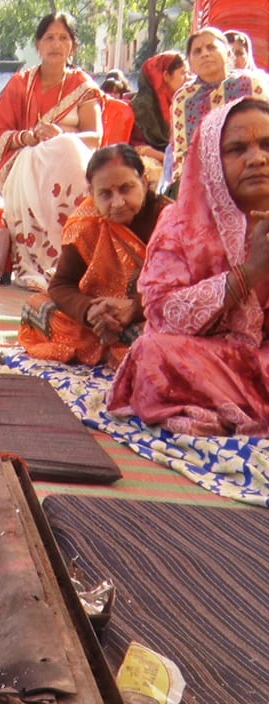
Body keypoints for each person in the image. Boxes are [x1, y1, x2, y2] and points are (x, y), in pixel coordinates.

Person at [108, 98, 269, 436]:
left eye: (267, 145)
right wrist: (248, 273)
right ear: (211, 160)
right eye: (237, 149)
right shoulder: (181, 224)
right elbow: (163, 312)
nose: (257, 159)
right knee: (151, 354)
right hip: (204, 356)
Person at [19, 144, 170, 368]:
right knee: (36, 307)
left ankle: (118, 349)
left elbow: (181, 287)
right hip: (100, 318)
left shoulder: (169, 220)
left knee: (157, 343)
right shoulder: (86, 224)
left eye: (126, 188)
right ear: (92, 193)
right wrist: (90, 311)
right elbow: (61, 284)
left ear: (145, 182)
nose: (117, 203)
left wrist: (134, 308)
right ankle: (110, 345)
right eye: (106, 194)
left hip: (149, 315)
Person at [0, 12, 103, 291]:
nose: (55, 44)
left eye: (63, 38)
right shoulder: (20, 84)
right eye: (49, 37)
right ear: (38, 44)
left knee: (65, 146)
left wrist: (62, 136)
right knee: (42, 153)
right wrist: (30, 136)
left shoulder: (82, 86)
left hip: (72, 162)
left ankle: (71, 264)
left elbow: (95, 137)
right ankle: (38, 265)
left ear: (73, 47)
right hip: (26, 162)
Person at [169, 27, 268, 189]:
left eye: (211, 47)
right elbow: (182, 153)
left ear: (228, 54)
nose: (205, 54)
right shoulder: (184, 99)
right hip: (202, 185)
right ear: (190, 63)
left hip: (253, 172)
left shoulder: (251, 84)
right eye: (197, 51)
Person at [129, 51, 188, 183]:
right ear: (166, 76)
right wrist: (168, 159)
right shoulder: (139, 109)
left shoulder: (186, 105)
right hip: (153, 169)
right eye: (183, 73)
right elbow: (137, 148)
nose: (188, 78)